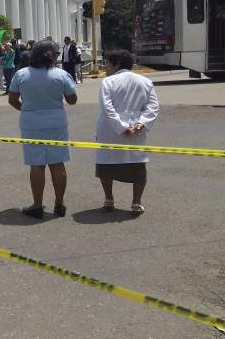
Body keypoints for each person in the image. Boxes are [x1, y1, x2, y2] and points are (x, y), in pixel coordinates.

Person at [8, 40, 78, 219]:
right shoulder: (61, 75)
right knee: (58, 163)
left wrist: (26, 108)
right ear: (49, 55)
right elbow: (72, 100)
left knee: (36, 164)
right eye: (56, 54)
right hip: (56, 121)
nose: (57, 57)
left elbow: (13, 99)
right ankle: (59, 203)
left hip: (30, 122)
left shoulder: (21, 74)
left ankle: (37, 205)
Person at [95, 49, 159, 216]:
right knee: (138, 165)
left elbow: (107, 108)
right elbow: (153, 107)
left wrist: (122, 127)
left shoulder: (108, 82)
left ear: (117, 64)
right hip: (136, 130)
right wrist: (140, 124)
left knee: (106, 164)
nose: (106, 67)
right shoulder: (145, 81)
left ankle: (109, 199)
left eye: (107, 63)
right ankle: (136, 202)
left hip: (110, 129)